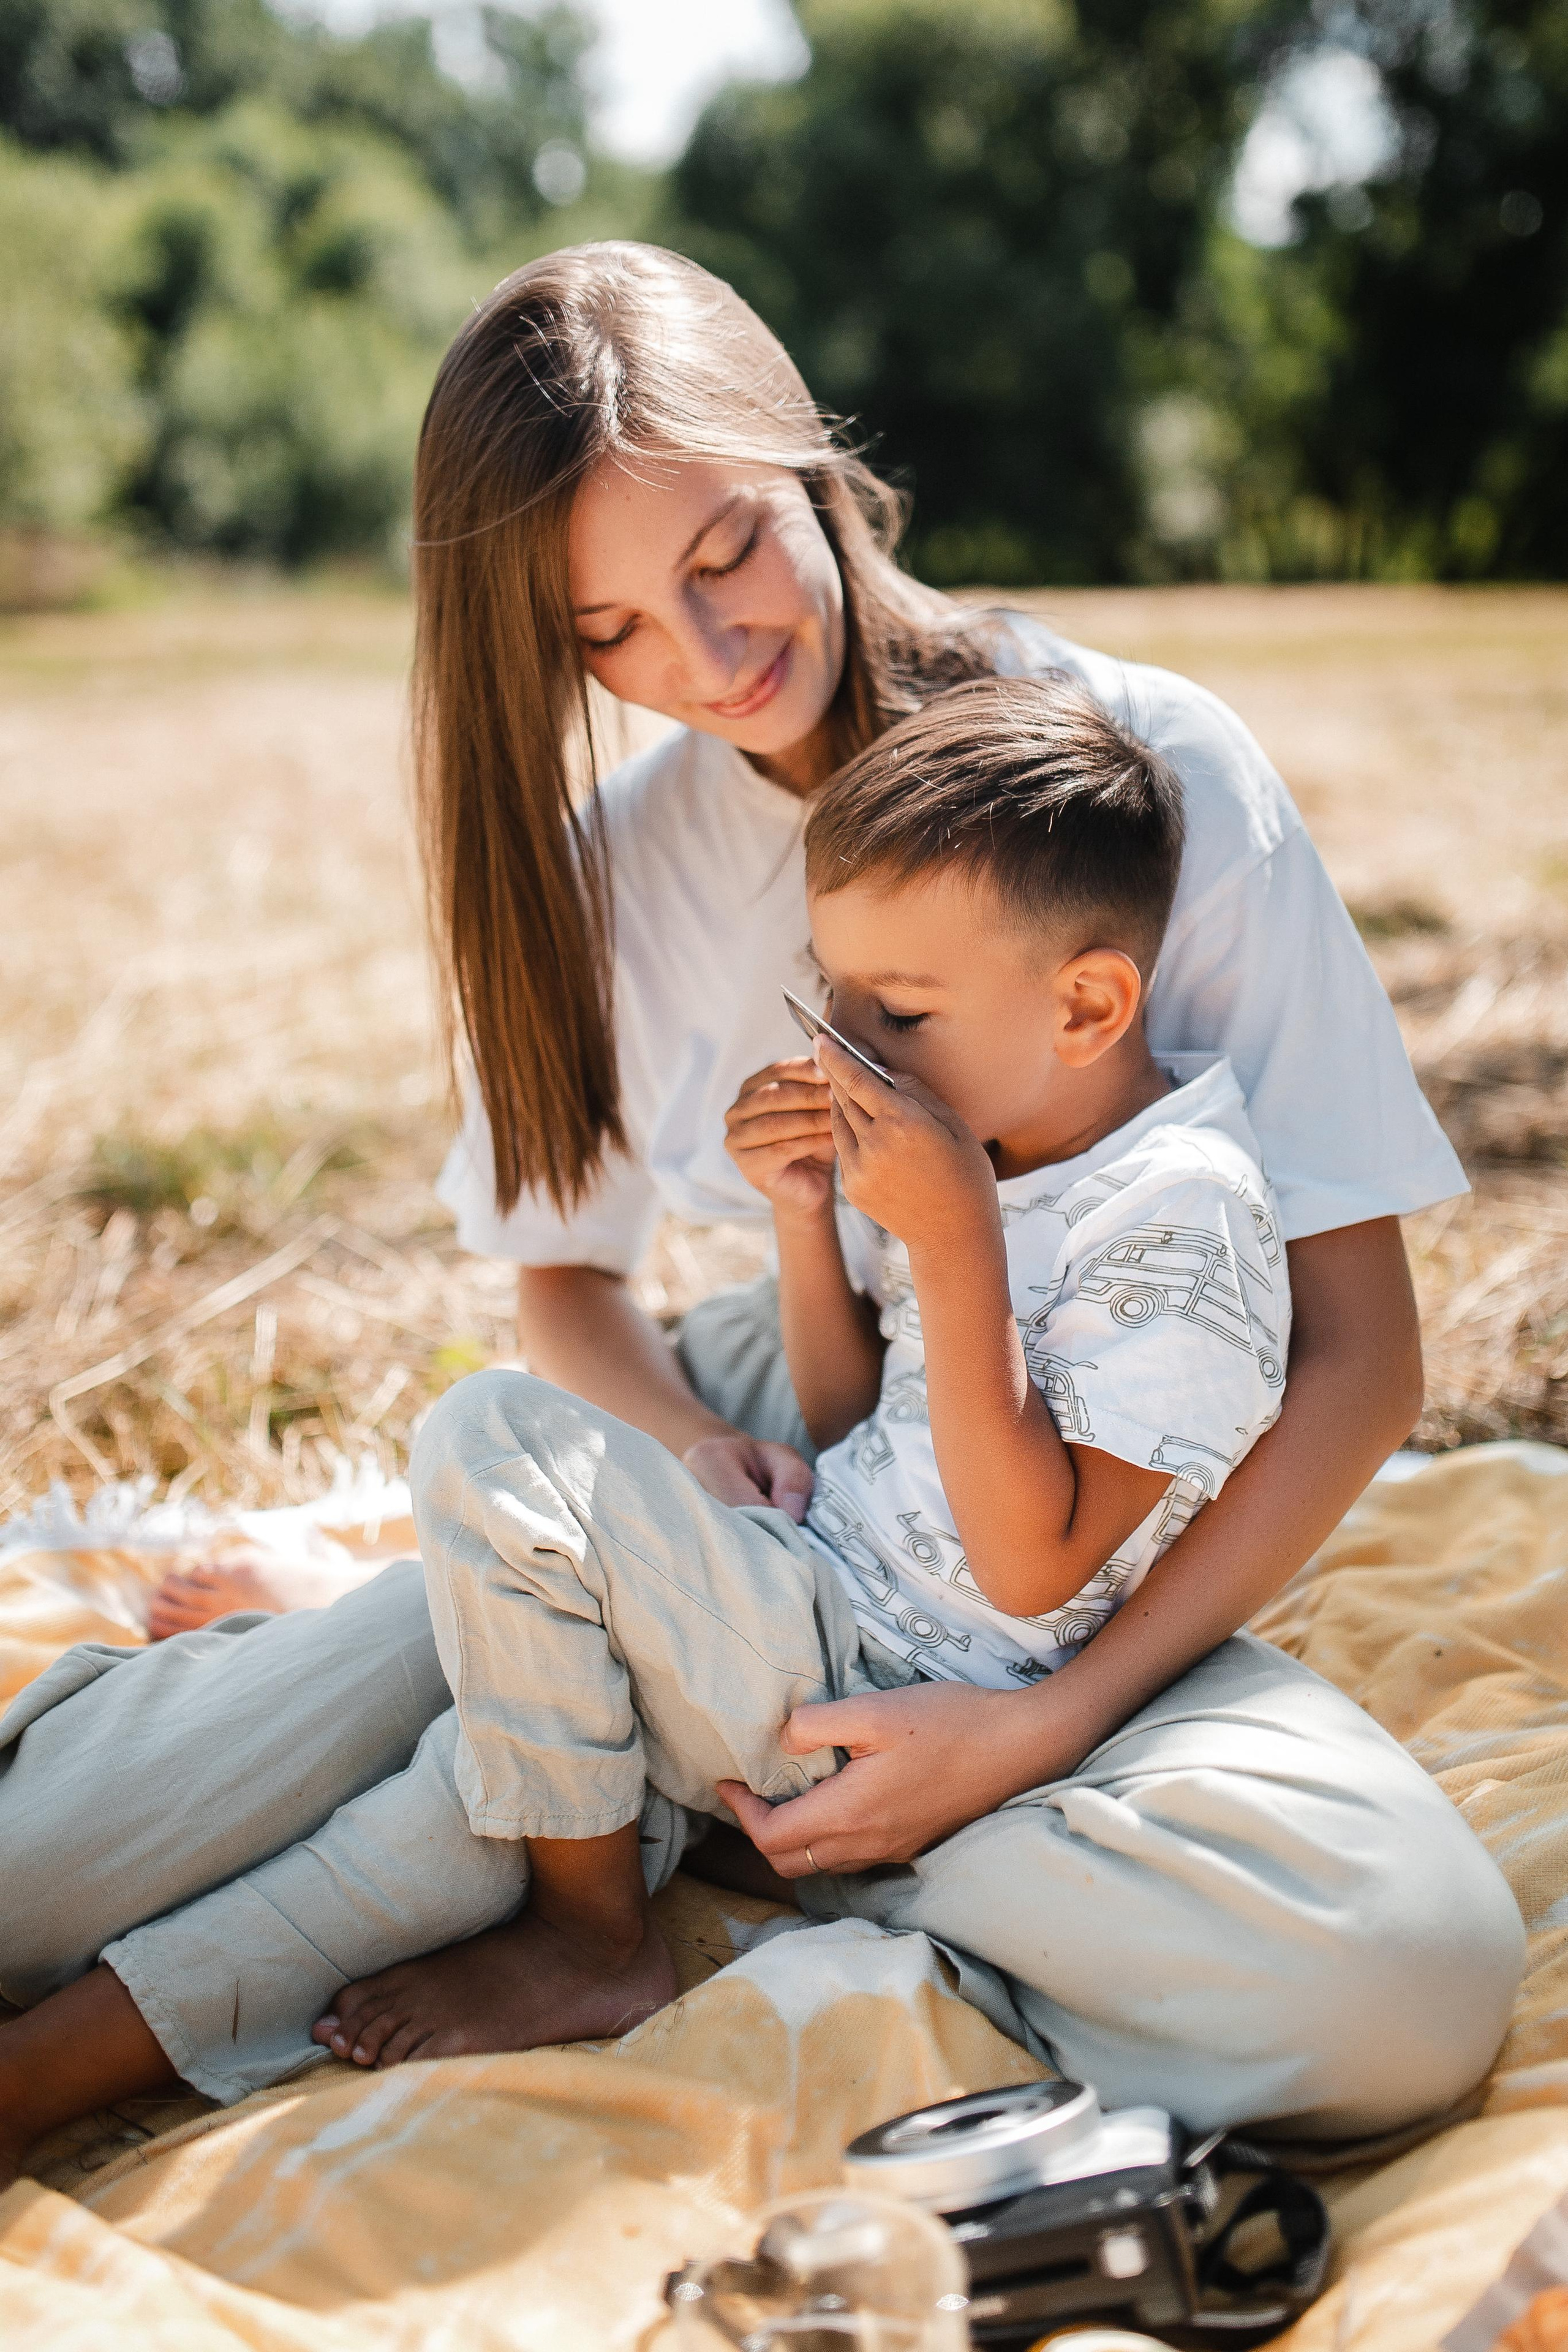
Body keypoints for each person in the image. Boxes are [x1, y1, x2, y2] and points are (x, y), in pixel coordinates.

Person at [0, 243, 1522, 2179]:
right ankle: (595, 1685)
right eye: (612, 633)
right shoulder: (613, 866)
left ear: (797, 448)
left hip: (1089, 1508)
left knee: (1400, 1988)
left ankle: (663, 1774)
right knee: (34, 1885)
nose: (709, 658)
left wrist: (1039, 1729)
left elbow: (1365, 1359)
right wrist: (684, 1485)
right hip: (787, 1445)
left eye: (722, 550)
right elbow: (567, 1297)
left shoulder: (1134, 776)